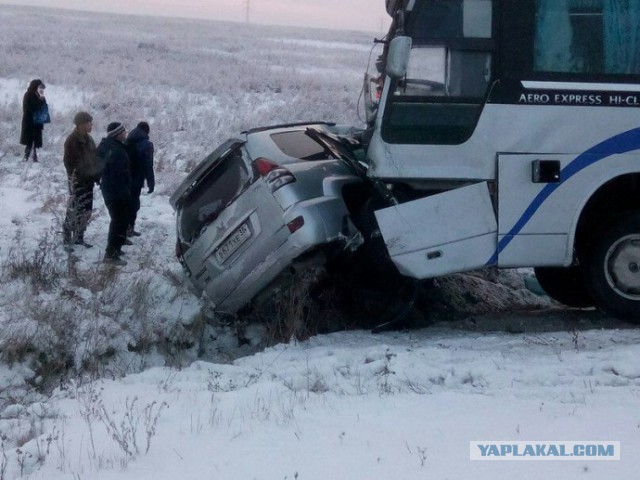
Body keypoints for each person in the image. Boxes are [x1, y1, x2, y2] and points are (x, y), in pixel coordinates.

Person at [62, 112, 100, 250]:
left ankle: (79, 237)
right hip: (77, 181)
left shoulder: (89, 139)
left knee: (86, 210)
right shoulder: (72, 140)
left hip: (88, 180)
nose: (91, 125)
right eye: (89, 122)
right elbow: (69, 163)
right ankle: (66, 239)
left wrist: (96, 175)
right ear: (81, 124)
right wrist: (78, 177)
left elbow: (93, 159)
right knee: (74, 209)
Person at [97, 122, 131, 266]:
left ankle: (116, 248)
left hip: (110, 190)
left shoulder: (109, 146)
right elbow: (117, 176)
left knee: (119, 221)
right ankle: (111, 255)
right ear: (117, 134)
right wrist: (124, 194)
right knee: (118, 221)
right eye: (124, 131)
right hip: (116, 192)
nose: (126, 133)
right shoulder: (115, 150)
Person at [125, 121, 155, 237]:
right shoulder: (146, 144)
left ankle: (125, 229)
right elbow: (148, 165)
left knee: (126, 205)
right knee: (134, 205)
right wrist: (151, 183)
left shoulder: (127, 140)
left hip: (125, 178)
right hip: (136, 179)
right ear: (147, 131)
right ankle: (129, 229)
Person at [20, 79, 49, 162]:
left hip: (36, 122)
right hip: (30, 122)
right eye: (39, 87)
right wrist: (41, 100)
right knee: (30, 140)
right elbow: (34, 108)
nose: (41, 90)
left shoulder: (37, 95)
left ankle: (33, 157)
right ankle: (26, 157)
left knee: (34, 141)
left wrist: (42, 99)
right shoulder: (29, 95)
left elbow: (43, 107)